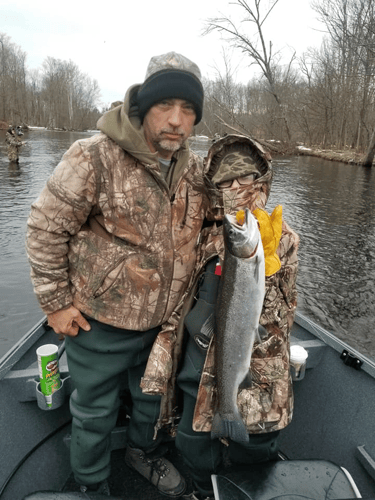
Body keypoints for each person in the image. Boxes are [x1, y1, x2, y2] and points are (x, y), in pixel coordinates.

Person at [26, 51, 207, 498]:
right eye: (167, 105)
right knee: (93, 410)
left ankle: (141, 454)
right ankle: (91, 484)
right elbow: (45, 229)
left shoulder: (194, 169)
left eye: (188, 111)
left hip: (165, 322)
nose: (177, 121)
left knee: (152, 402)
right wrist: (56, 304)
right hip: (99, 320)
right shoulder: (93, 156)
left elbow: (215, 223)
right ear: (144, 106)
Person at [140, 135, 299, 500]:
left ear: (262, 180)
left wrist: (270, 271)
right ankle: (201, 490)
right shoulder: (207, 236)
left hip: (256, 371)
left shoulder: (283, 238)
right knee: (193, 444)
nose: (236, 187)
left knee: (254, 452)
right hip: (198, 368)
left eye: (245, 178)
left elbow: (281, 320)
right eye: (226, 181)